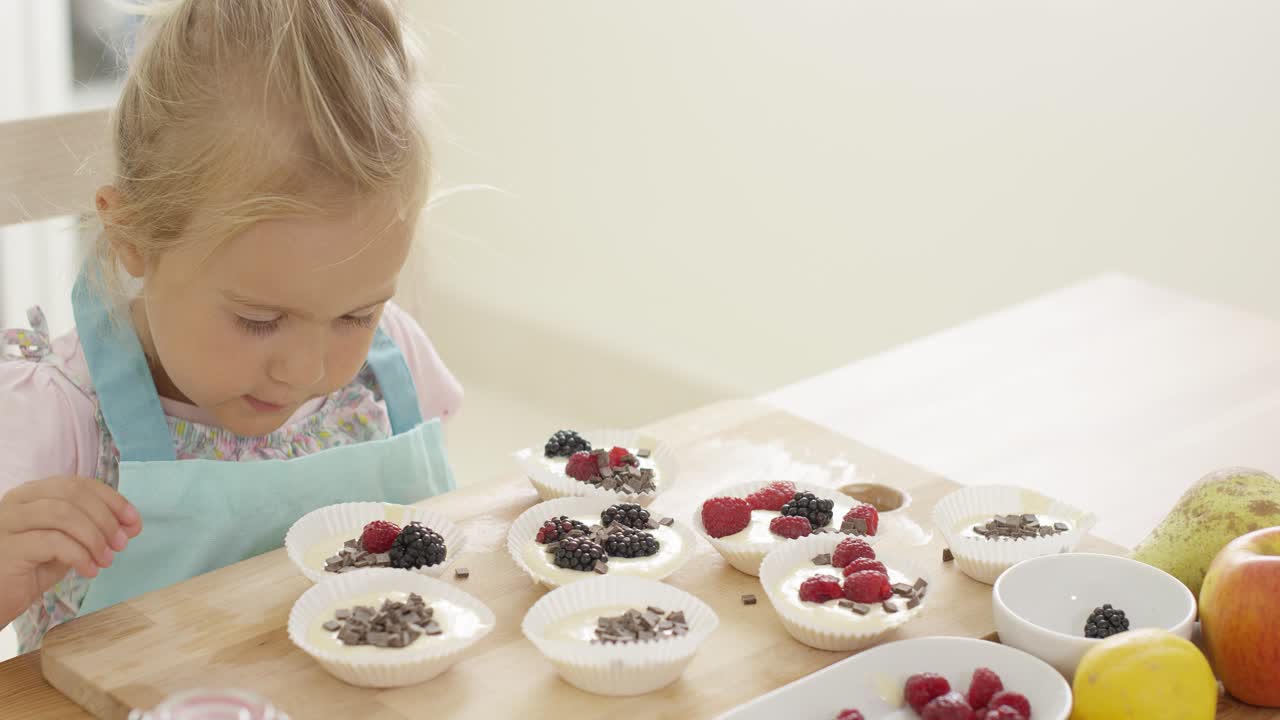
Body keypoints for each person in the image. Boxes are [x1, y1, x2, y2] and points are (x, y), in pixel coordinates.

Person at [0, 0, 462, 652]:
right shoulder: (59, 419)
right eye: (259, 320)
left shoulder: (393, 368)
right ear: (132, 235)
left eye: (355, 315)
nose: (308, 372)